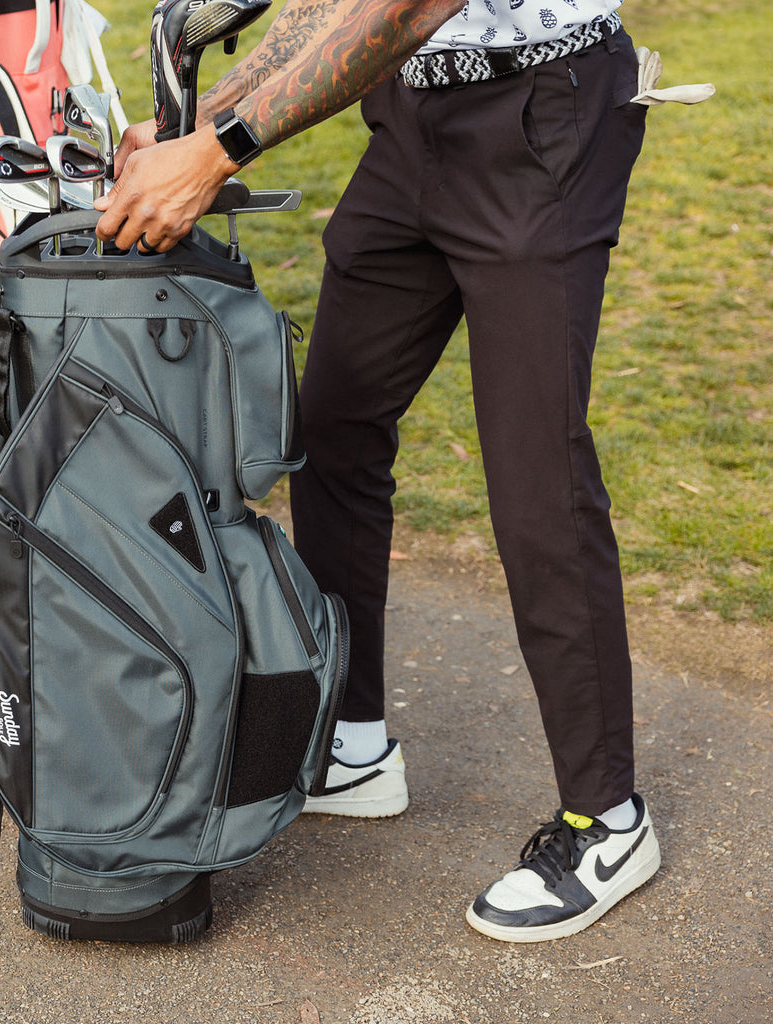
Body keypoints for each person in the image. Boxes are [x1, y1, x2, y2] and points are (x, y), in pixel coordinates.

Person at [96, 0, 661, 943]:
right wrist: (195, 120)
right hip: (411, 121)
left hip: (541, 119)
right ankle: (351, 740)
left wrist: (219, 147)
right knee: (338, 426)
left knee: (536, 477)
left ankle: (607, 819)